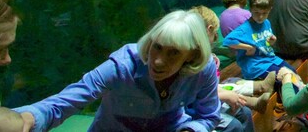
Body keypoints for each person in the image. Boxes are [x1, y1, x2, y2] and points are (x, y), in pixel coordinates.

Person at [14, 10, 220, 131]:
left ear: (191, 56)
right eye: (157, 47)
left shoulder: (204, 70)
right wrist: (29, 117)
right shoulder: (122, 65)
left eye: (173, 53)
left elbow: (209, 117)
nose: (157, 61)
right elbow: (65, 101)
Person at [191, 6, 269, 132]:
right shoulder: (194, 62)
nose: (215, 40)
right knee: (235, 124)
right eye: (215, 35)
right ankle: (256, 93)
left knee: (243, 108)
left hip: (208, 102)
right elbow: (197, 96)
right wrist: (225, 96)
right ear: (209, 30)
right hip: (198, 114)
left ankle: (259, 89)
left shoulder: (203, 58)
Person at [223, 0, 293, 81]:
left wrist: (272, 41)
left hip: (270, 59)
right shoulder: (245, 28)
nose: (260, 17)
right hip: (255, 66)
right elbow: (227, 41)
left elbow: (265, 44)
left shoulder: (266, 22)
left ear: (270, 10)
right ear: (250, 9)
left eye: (264, 13)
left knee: (293, 73)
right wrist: (248, 47)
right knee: (286, 78)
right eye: (257, 13)